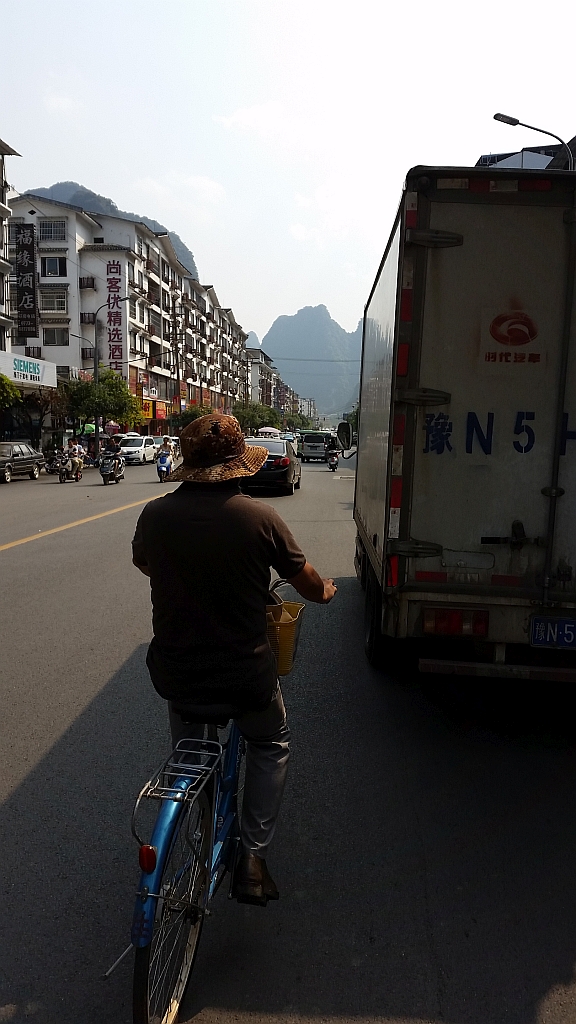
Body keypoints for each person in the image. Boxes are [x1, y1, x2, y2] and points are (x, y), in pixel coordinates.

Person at [132, 413, 336, 905]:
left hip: (176, 672)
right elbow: (308, 582)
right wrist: (326, 592)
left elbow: (144, 563)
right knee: (270, 742)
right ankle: (253, 857)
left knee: (189, 752)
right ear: (238, 465)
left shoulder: (155, 514)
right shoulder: (258, 518)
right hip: (246, 675)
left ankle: (193, 811)